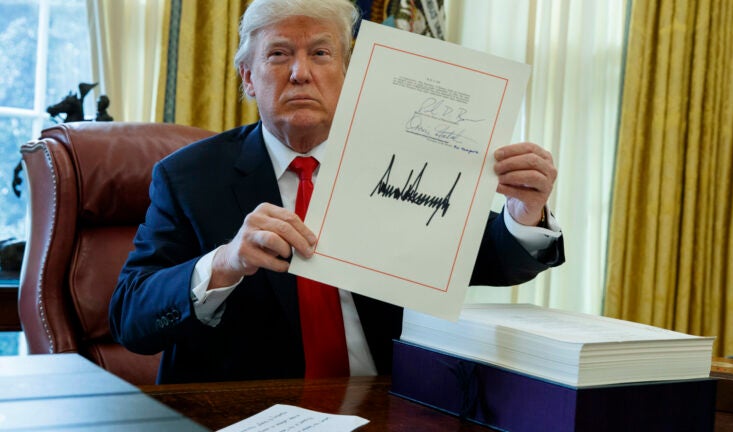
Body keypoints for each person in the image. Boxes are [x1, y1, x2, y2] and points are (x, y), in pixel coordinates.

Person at [109, 0, 564, 384]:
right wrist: (226, 262)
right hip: (250, 411)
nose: (300, 73)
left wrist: (524, 214)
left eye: (321, 53)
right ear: (248, 77)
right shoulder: (188, 177)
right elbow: (130, 318)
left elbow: (487, 257)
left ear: (349, 73)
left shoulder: (399, 159)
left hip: (387, 403)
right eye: (278, 54)